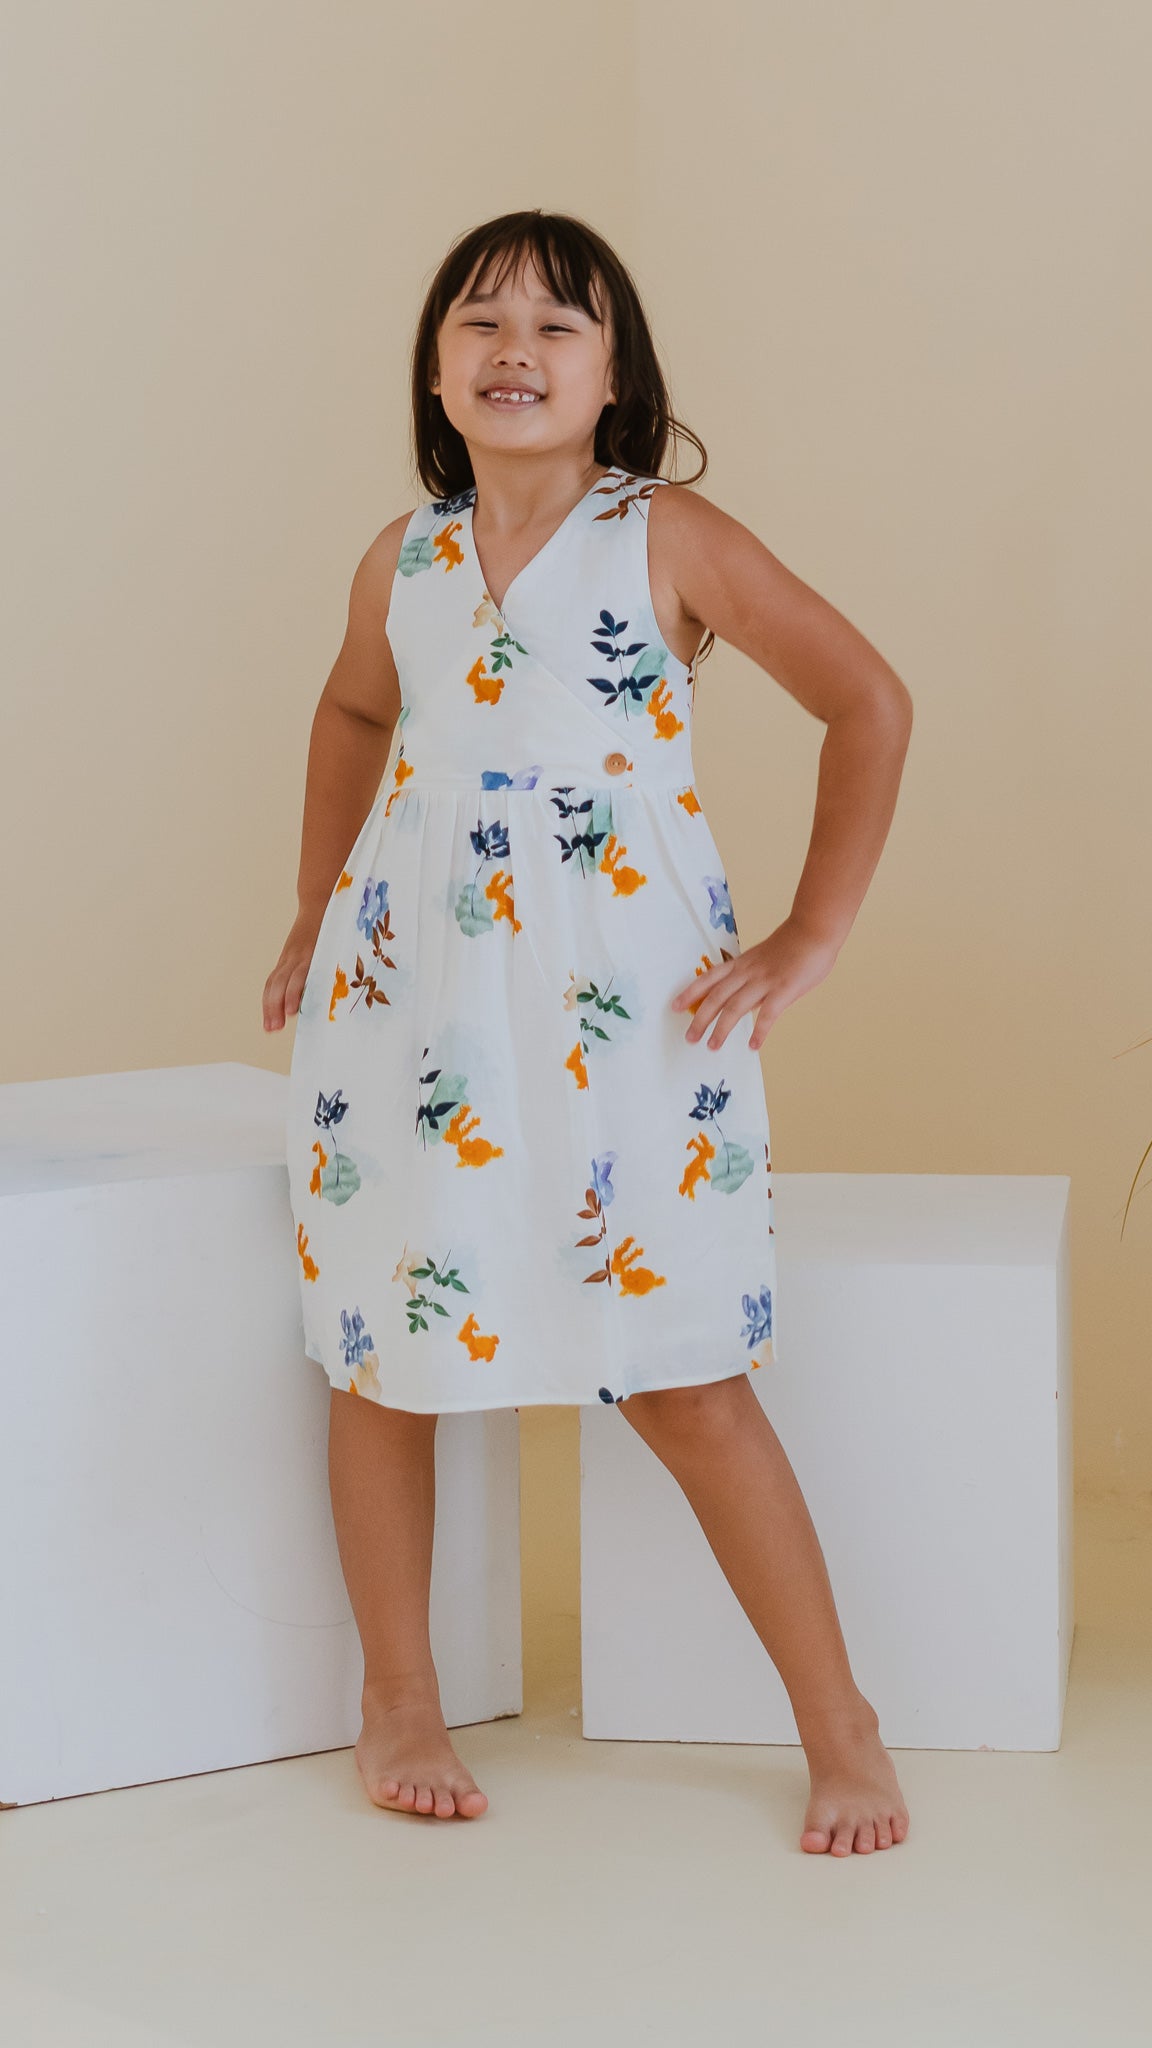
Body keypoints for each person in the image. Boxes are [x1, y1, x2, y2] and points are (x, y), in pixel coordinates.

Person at [263, 210, 914, 1855]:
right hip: (412, 1006)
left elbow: (868, 699)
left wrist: (812, 932)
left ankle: (838, 1719)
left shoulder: (666, 535)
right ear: (434, 370)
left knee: (684, 1372)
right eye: (480, 321)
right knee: (387, 1354)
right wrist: (315, 905)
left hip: (624, 1012)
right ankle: (397, 1693)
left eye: (560, 325)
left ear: (615, 375)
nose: (516, 350)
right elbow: (354, 708)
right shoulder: (403, 560)